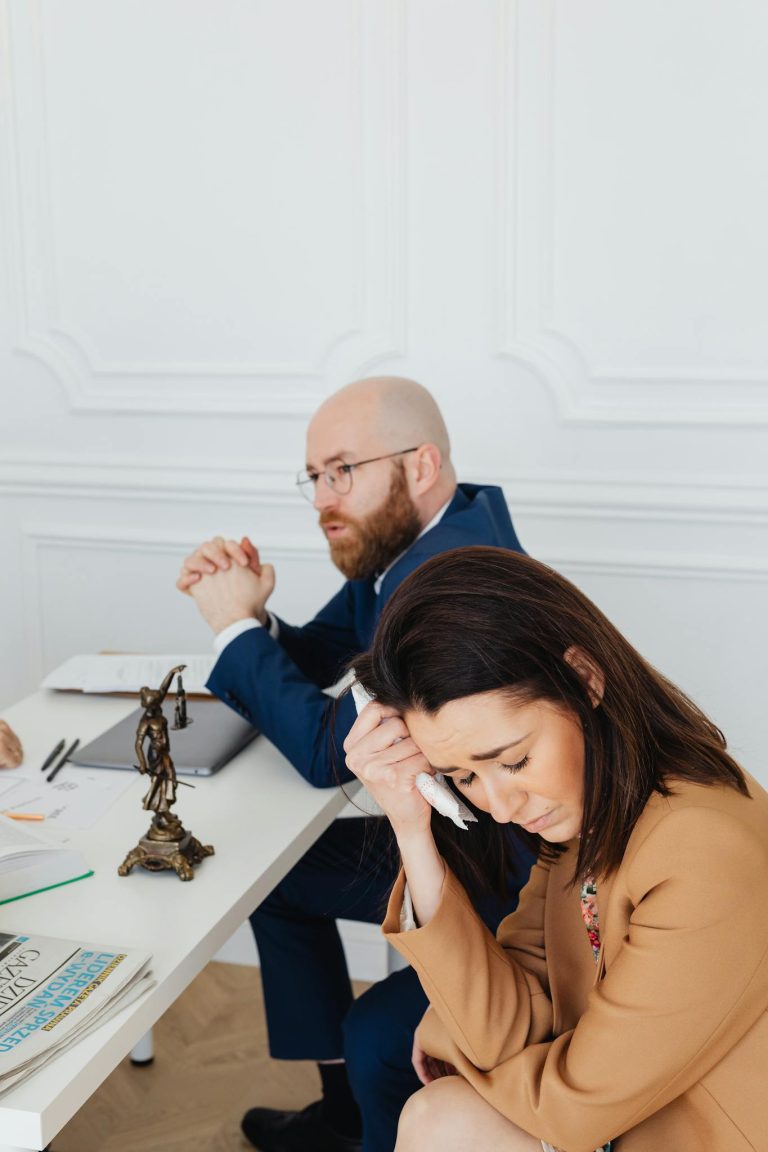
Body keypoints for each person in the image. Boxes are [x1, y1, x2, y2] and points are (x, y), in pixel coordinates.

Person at [176, 377, 533, 1152]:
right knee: (278, 878)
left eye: (342, 470)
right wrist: (259, 615)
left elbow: (323, 752)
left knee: (375, 1025)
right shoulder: (416, 545)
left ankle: (361, 1117)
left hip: (512, 880)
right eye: (313, 477)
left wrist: (233, 629)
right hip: (466, 847)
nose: (321, 499)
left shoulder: (447, 578)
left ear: (421, 464)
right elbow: (328, 660)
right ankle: (342, 1117)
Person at [345, 545, 768, 1152]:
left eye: (513, 760)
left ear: (584, 678)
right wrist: (413, 829)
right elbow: (511, 1018)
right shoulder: (588, 815)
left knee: (438, 1119)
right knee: (437, 1116)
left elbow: (569, 1110)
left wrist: (449, 1037)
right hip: (621, 1126)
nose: (500, 805)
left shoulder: (703, 851)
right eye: (461, 778)